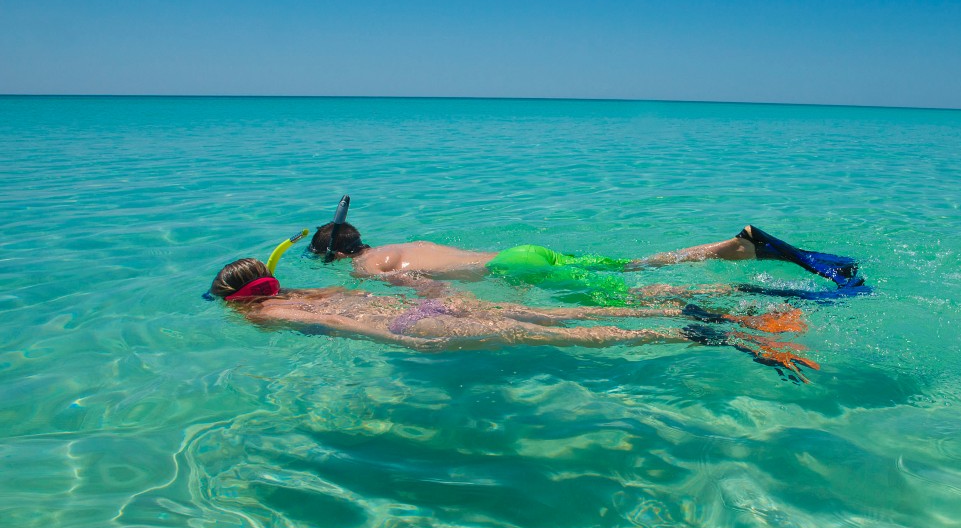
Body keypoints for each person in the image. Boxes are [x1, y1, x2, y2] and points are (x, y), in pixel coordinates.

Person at [208, 258, 821, 381]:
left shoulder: (272, 314)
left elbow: (354, 330)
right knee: (566, 313)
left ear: (239, 300)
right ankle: (742, 313)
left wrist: (416, 343)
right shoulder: (307, 292)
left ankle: (724, 340)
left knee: (582, 337)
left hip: (414, 329)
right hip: (430, 304)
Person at [308, 220, 862, 306]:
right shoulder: (403, 239)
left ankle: (747, 292)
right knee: (634, 267)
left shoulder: (364, 268)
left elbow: (420, 285)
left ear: (335, 255)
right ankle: (735, 247)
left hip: (518, 269)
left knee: (641, 299)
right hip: (524, 253)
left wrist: (457, 306)